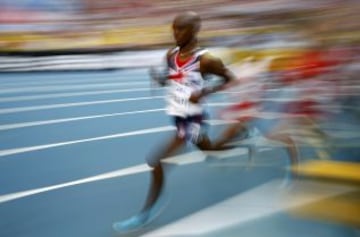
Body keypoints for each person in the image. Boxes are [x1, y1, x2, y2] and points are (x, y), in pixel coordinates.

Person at [113, 11, 237, 232]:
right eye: (173, 29)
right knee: (211, 148)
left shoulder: (206, 60)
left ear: (194, 30)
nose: (175, 33)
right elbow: (171, 79)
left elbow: (230, 79)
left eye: (181, 29)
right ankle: (240, 135)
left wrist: (205, 92)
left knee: (156, 161)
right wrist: (160, 79)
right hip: (178, 116)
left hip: (193, 118)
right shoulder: (171, 54)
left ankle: (146, 213)